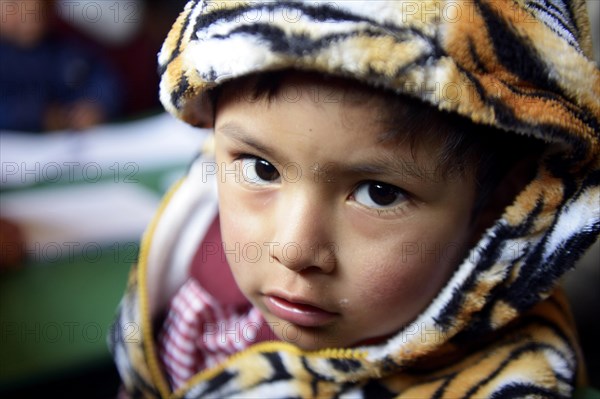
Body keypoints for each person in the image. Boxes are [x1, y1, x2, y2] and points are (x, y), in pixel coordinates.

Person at [109, 1, 600, 397]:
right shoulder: (190, 247)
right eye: (262, 168)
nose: (295, 250)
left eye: (379, 193)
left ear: (503, 200)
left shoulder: (508, 382)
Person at [0, 0, 122, 132]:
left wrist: (95, 105)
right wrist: (36, 116)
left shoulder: (63, 49)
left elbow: (102, 80)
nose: (30, 10)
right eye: (14, 4)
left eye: (39, 3)